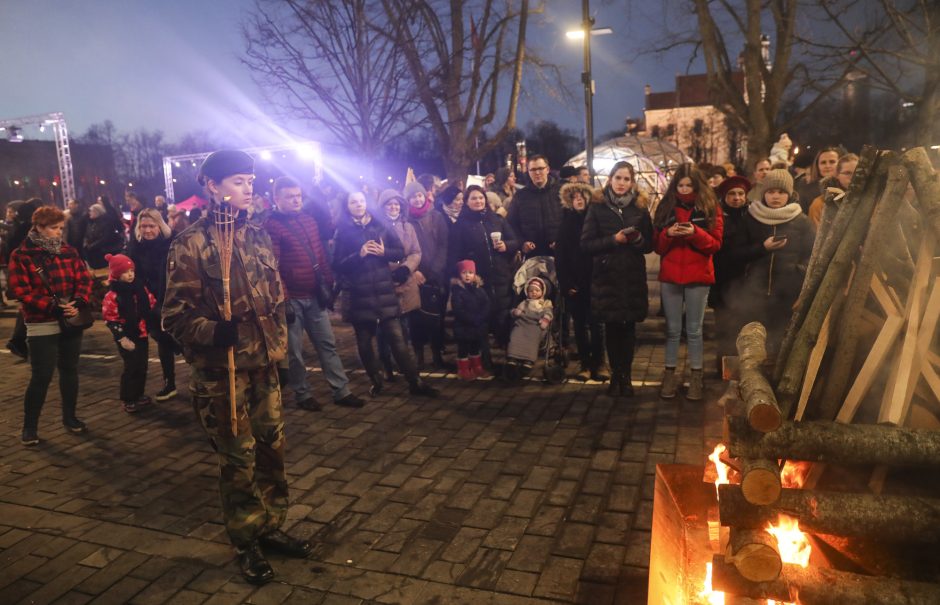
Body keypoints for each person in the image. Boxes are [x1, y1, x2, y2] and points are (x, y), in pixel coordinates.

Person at [162, 150, 311, 585]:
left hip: (263, 367)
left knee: (272, 450)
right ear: (212, 186)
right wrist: (212, 331)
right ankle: (246, 539)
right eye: (238, 181)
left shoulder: (259, 236)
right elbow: (174, 317)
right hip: (222, 372)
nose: (249, 188)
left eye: (250, 180)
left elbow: (275, 302)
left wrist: (278, 355)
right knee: (238, 458)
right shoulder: (190, 243)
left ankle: (271, 525)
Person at [265, 177, 364, 411]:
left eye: (298, 195)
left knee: (327, 344)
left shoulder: (309, 221)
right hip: (293, 300)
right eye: (290, 197)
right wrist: (285, 299)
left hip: (314, 295)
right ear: (277, 199)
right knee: (295, 353)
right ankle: (302, 394)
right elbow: (274, 267)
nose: (296, 200)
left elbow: (320, 256)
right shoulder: (272, 226)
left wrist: (328, 285)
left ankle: (341, 390)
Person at [333, 190, 439, 398]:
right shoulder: (342, 231)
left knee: (397, 338)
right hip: (359, 293)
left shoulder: (380, 224)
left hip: (384, 290)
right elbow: (337, 265)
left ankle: (414, 381)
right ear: (347, 206)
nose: (359, 205)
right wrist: (359, 255)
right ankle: (376, 380)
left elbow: (399, 251)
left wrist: (384, 253)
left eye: (362, 200)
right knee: (364, 341)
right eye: (353, 202)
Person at [9, 206, 93, 445]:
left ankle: (70, 418)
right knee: (41, 376)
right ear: (39, 227)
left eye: (61, 228)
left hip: (71, 318)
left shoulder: (69, 251)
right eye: (54, 228)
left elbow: (83, 278)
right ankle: (30, 427)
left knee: (69, 370)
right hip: (41, 322)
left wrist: (79, 301)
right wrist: (52, 307)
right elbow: (21, 291)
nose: (59, 233)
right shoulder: (22, 255)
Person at [580, 161, 654, 398]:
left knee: (629, 329)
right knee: (612, 328)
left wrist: (639, 240)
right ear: (609, 179)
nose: (621, 183)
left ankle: (627, 376)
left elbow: (650, 244)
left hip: (631, 275)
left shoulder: (640, 208)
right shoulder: (597, 206)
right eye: (618, 178)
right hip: (607, 276)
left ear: (632, 182)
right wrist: (614, 240)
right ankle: (615, 376)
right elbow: (586, 244)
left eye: (626, 179)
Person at [653, 164, 723, 401]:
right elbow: (658, 247)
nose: (684, 190)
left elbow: (715, 244)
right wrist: (668, 235)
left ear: (697, 185)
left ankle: (696, 376)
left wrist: (694, 232)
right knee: (672, 330)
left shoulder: (709, 207)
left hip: (698, 275)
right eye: (680, 185)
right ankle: (670, 374)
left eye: (688, 185)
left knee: (694, 330)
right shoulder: (665, 207)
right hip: (671, 275)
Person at [742, 169, 815, 354]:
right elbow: (739, 252)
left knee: (781, 339)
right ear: (764, 192)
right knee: (756, 340)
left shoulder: (801, 221)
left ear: (789, 194)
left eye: (781, 192)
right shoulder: (751, 217)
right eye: (771, 191)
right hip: (754, 291)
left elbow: (812, 254)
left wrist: (797, 272)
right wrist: (762, 248)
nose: (776, 196)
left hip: (787, 292)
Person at [448, 185, 521, 350]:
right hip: (478, 278)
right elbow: (455, 254)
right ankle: (484, 355)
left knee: (503, 312)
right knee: (482, 315)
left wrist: (506, 246)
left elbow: (515, 241)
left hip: (501, 274)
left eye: (481, 197)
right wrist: (460, 275)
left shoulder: (497, 219)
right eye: (473, 198)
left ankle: (505, 349)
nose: (478, 201)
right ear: (466, 202)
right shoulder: (460, 225)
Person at [556, 182, 607, 382]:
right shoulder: (566, 223)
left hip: (595, 280)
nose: (578, 199)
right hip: (575, 283)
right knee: (579, 325)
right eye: (574, 197)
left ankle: (600, 363)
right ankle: (585, 364)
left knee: (597, 324)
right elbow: (561, 257)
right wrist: (567, 283)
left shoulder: (595, 220)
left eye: (582, 196)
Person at [128, 208, 179, 401]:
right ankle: (169, 383)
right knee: (162, 340)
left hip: (174, 298)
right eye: (143, 226)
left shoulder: (172, 243)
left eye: (151, 226)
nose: (147, 230)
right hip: (151, 301)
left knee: (183, 341)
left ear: (160, 225)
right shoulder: (135, 246)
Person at [711, 176, 759, 368]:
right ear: (725, 196)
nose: (737, 198)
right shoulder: (719, 218)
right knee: (724, 330)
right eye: (732, 194)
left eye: (740, 193)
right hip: (724, 282)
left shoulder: (753, 215)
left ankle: (741, 372)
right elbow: (725, 253)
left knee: (743, 330)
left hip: (747, 284)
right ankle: (723, 371)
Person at [376, 189, 422, 381]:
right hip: (385, 282)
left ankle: (405, 364)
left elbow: (415, 251)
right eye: (389, 204)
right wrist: (391, 271)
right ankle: (386, 365)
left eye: (397, 204)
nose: (393, 207)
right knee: (385, 329)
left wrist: (406, 268)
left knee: (405, 327)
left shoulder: (408, 226)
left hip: (406, 280)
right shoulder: (377, 226)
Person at [404, 180, 451, 370]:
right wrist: (414, 271)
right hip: (414, 277)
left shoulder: (437, 217)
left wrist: (431, 272)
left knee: (436, 318)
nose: (416, 199)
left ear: (424, 196)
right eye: (412, 197)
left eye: (419, 195)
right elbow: (404, 249)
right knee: (416, 318)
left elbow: (443, 246)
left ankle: (437, 353)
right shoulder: (405, 220)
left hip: (435, 276)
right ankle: (418, 354)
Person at [102, 253, 156, 413]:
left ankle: (139, 394)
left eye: (132, 270)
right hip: (127, 335)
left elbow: (151, 303)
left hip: (142, 333)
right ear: (117, 274)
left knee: (142, 365)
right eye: (125, 272)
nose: (130, 274)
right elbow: (110, 318)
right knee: (131, 366)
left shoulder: (139, 288)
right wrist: (121, 337)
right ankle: (128, 398)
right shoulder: (113, 296)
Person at [507, 154, 562, 258]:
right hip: (532, 254)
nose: (537, 172)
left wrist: (563, 241)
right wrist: (521, 243)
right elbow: (511, 224)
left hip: (560, 253)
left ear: (547, 169)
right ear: (528, 172)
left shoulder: (561, 192)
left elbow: (570, 222)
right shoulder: (520, 196)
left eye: (540, 168)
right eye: (533, 169)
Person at [505, 276, 553, 379]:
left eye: (537, 290)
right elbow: (516, 311)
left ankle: (528, 360)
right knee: (515, 334)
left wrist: (546, 319)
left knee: (533, 337)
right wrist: (515, 312)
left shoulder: (545, 304)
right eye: (531, 290)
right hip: (523, 324)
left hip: (535, 325)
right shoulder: (524, 302)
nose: (534, 292)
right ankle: (512, 358)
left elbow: (549, 313)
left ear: (542, 291)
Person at [450, 259, 491, 381]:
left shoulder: (479, 289)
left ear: (474, 274)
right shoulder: (457, 291)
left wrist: (481, 317)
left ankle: (476, 367)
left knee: (475, 346)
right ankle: (463, 369)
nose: (467, 275)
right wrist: (471, 319)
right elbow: (458, 309)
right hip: (463, 326)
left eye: (470, 272)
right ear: (459, 274)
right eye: (464, 272)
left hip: (477, 325)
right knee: (463, 348)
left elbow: (486, 304)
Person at [808, 153, 858, 230]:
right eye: (847, 173)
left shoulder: (871, 199)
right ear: (837, 175)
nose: (853, 177)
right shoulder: (820, 204)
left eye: (857, 173)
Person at [794, 146, 841, 214]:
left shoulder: (847, 186)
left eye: (832, 162)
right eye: (823, 162)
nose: (827, 166)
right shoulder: (806, 191)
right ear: (817, 166)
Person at [84, 201, 124, 270]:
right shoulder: (91, 222)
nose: (89, 213)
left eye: (91, 211)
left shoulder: (106, 222)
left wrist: (92, 246)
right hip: (94, 254)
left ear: (97, 212)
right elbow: (88, 235)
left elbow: (105, 238)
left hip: (103, 254)